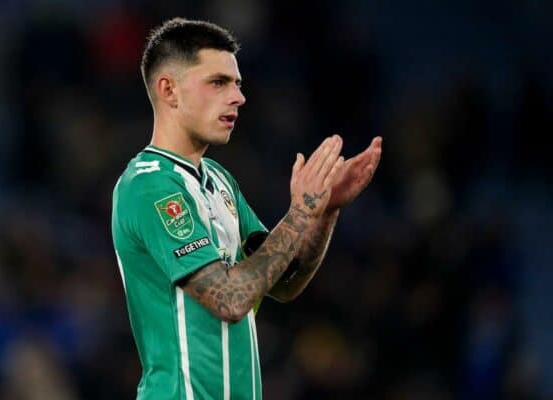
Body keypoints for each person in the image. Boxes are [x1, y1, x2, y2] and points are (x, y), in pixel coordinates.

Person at [111, 17, 382, 400]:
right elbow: (230, 299)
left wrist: (325, 211)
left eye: (237, 84)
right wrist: (300, 212)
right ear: (169, 90)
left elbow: (284, 281)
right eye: (218, 82)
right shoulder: (149, 184)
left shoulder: (218, 179)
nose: (238, 97)